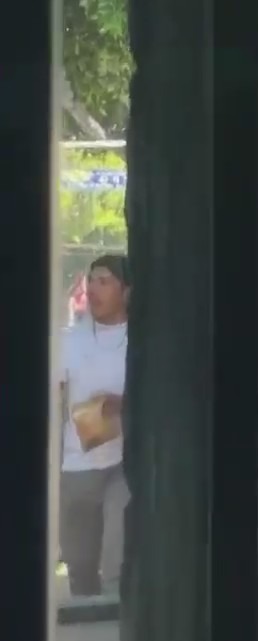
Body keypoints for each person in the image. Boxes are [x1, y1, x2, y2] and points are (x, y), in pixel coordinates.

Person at [59, 254, 132, 597]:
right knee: (80, 565)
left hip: (124, 462)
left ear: (126, 290)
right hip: (77, 465)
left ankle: (120, 626)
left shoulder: (141, 342)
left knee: (117, 553)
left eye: (105, 281)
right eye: (91, 280)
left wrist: (122, 405)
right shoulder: (68, 341)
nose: (93, 289)